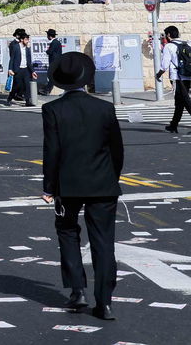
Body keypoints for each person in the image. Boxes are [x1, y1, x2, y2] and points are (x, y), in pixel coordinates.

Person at [42, 52, 122, 320]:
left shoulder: (52, 109)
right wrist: (112, 176)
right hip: (103, 183)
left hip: (68, 184)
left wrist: (49, 186)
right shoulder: (104, 108)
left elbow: (52, 150)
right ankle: (105, 301)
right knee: (103, 241)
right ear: (86, 79)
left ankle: (77, 290)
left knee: (67, 232)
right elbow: (116, 150)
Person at [41, 29, 64, 96]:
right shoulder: (57, 42)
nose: (47, 36)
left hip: (54, 62)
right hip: (56, 62)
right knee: (53, 77)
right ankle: (47, 89)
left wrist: (47, 51)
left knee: (52, 77)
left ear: (50, 36)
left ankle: (47, 90)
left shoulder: (54, 42)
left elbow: (50, 52)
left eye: (47, 35)